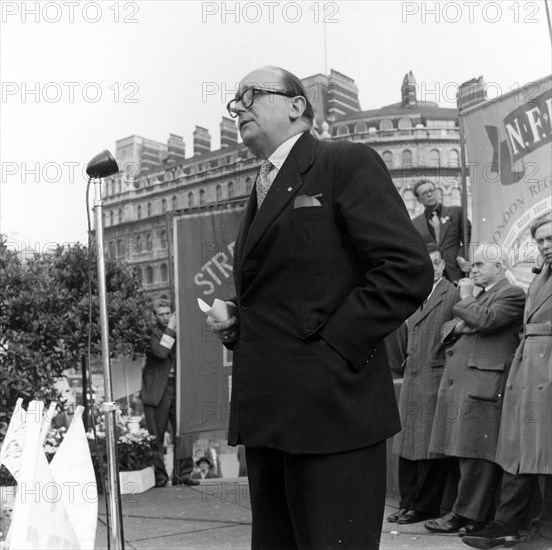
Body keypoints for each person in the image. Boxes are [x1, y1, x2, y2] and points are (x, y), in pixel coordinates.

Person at [209, 65, 433, 549]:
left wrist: (332, 347)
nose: (238, 107)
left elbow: (406, 269)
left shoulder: (343, 162)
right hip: (272, 418)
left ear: (296, 104)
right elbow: (294, 291)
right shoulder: (263, 183)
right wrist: (237, 319)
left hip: (333, 412)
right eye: (234, 101)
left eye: (251, 94)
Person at [463, 213, 552, 550]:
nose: (545, 246)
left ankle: (543, 532)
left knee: (544, 452)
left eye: (551, 239)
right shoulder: (541, 276)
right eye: (540, 240)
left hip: (546, 370)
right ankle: (507, 525)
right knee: (519, 450)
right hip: (528, 369)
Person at [425, 244, 526, 534]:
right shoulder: (482, 297)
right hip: (469, 383)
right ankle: (466, 514)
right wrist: (465, 323)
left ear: (499, 267)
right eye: (474, 264)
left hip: (483, 385)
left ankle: (466, 515)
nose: (474, 269)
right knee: (465, 451)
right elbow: (449, 329)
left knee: (476, 455)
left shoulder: (512, 293)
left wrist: (467, 301)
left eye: (481, 264)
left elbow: (487, 321)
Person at [389, 249, 460, 524]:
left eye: (433, 262)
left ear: (442, 265)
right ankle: (408, 503)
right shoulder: (418, 294)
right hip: (413, 378)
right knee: (407, 445)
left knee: (429, 448)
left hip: (434, 379)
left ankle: (424, 506)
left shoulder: (451, 293)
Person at [140, 299, 199, 487]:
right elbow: (161, 353)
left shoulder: (181, 331)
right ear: (155, 316)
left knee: (183, 432)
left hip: (180, 386)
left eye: (168, 313)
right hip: (159, 390)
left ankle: (183, 474)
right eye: (161, 314)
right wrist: (171, 328)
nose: (165, 317)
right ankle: (160, 477)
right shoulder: (151, 333)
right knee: (156, 435)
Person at [411, 179, 471, 282]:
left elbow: (469, 238)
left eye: (431, 190)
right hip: (432, 275)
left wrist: (461, 256)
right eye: (424, 193)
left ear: (437, 191)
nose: (429, 194)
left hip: (456, 272)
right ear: (419, 200)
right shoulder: (415, 224)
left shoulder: (457, 212)